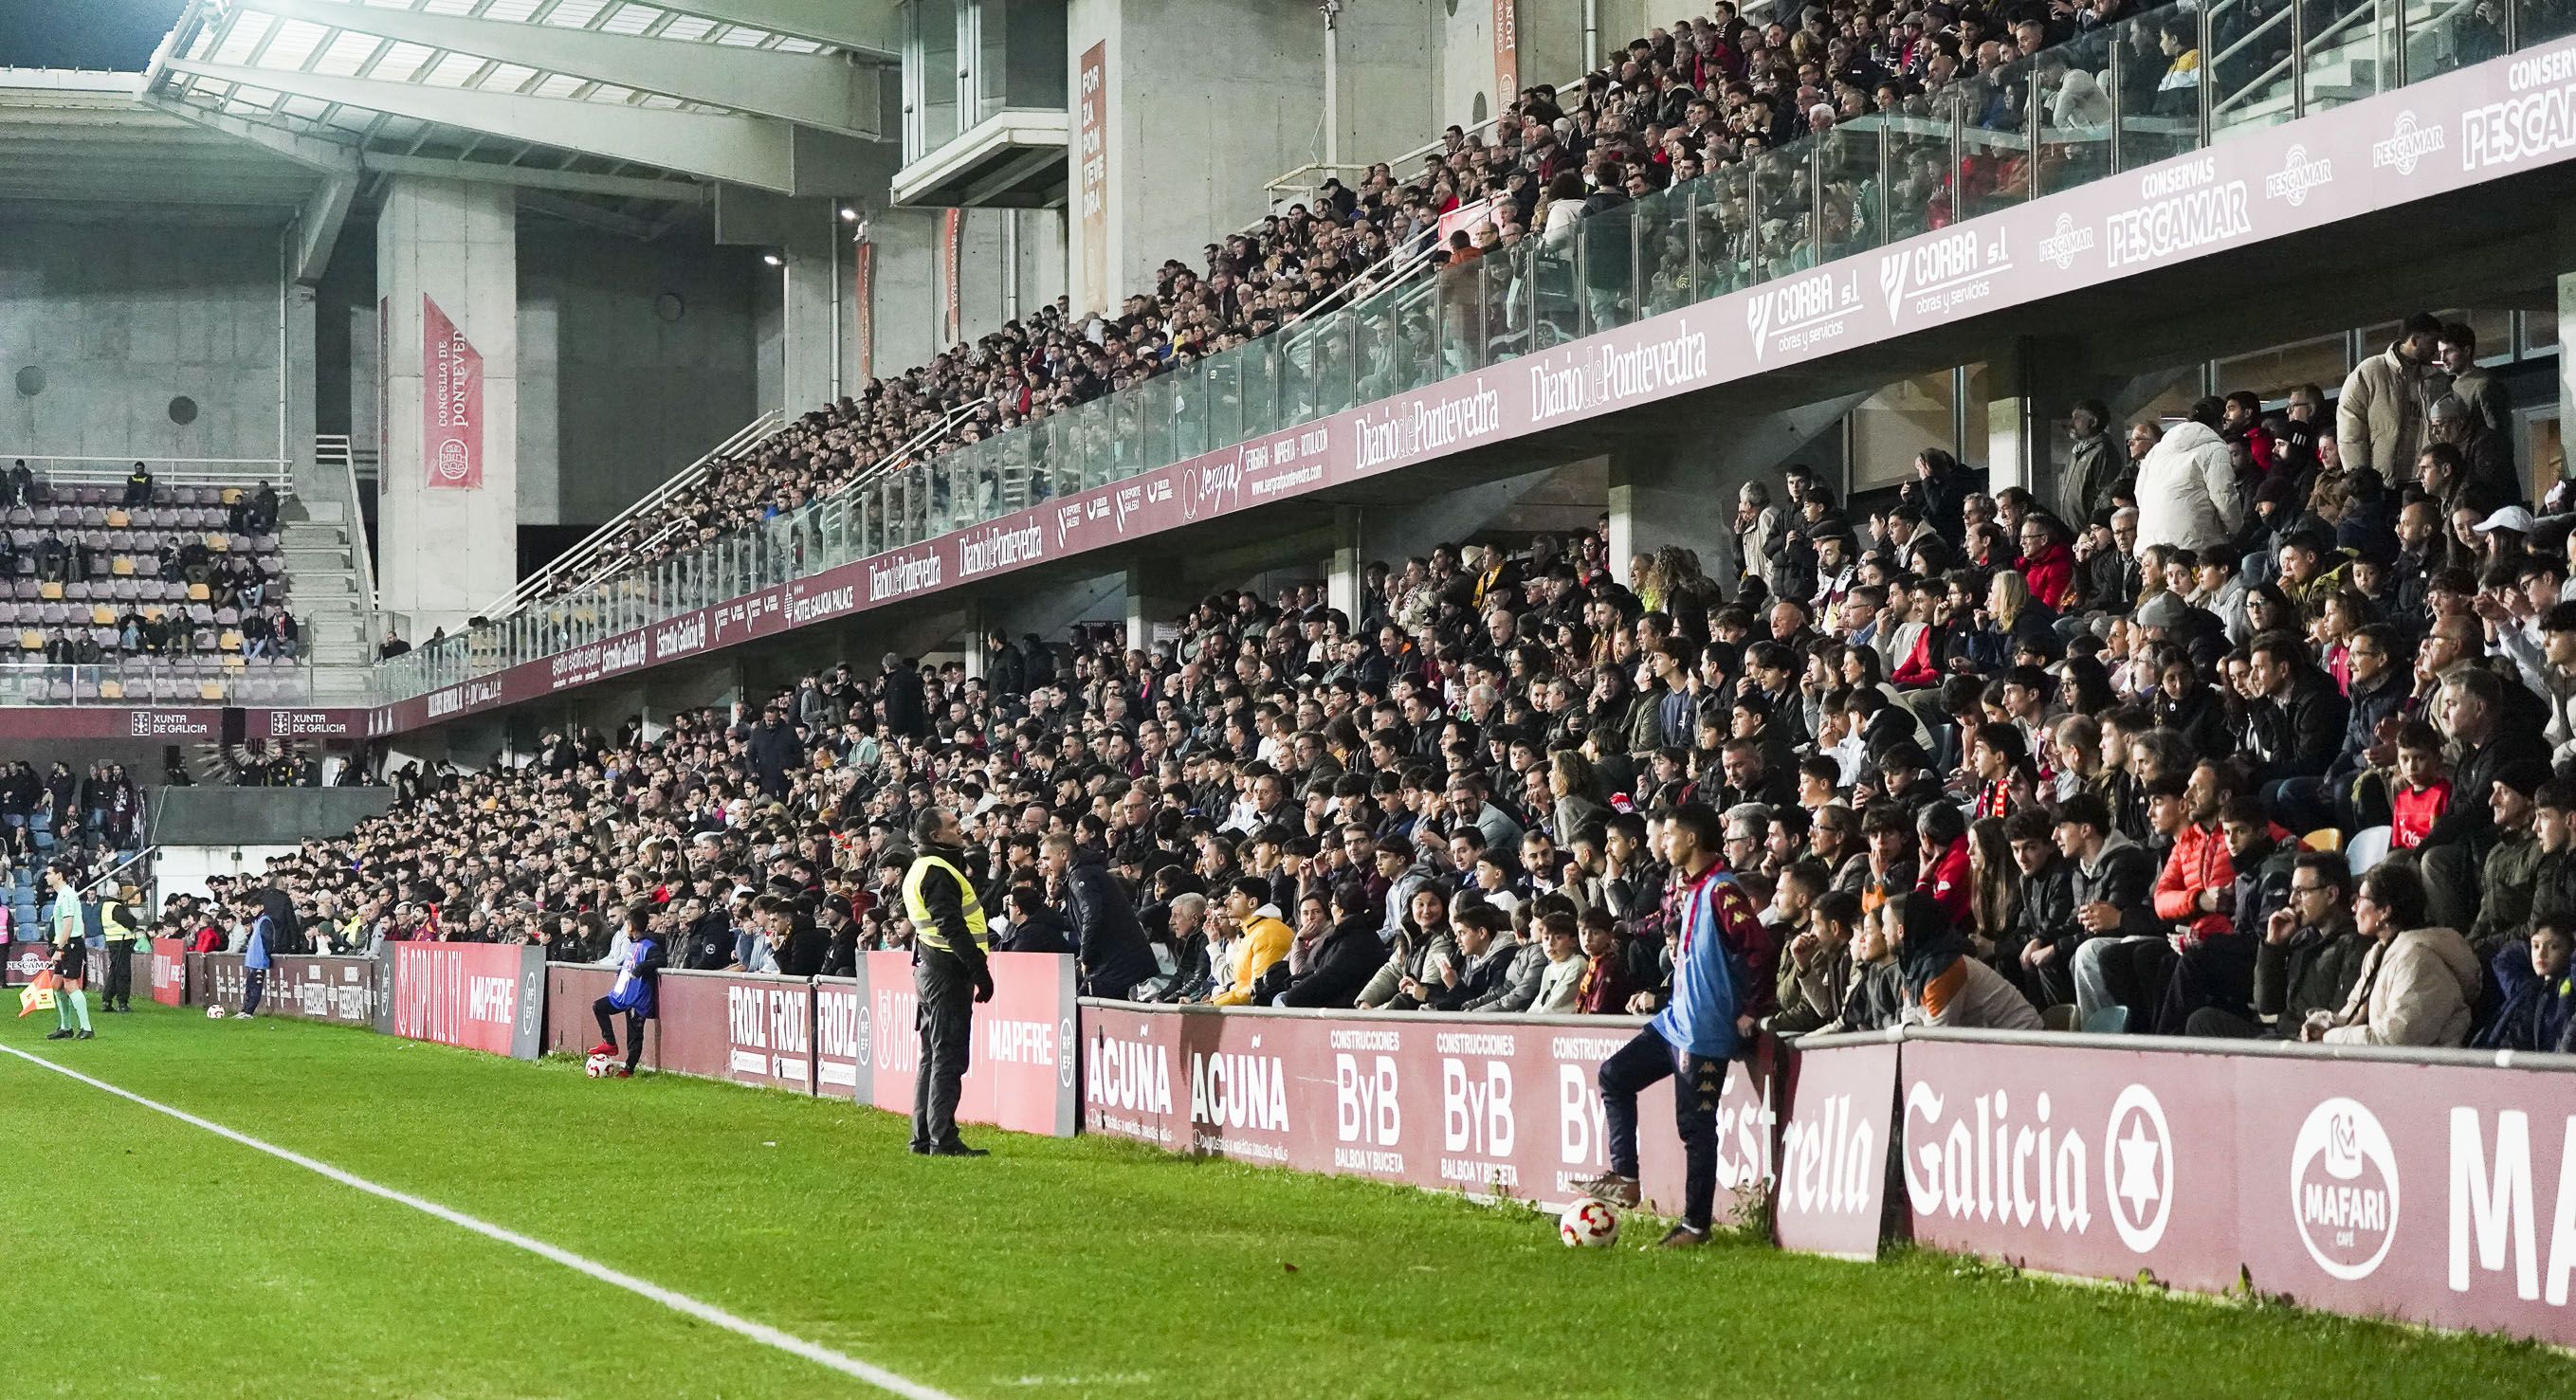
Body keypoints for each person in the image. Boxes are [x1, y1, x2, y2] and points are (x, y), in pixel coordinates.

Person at [1575, 803, 1774, 1248]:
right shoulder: (1692, 889)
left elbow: (1759, 948)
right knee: (1614, 1074)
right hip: (1675, 1021)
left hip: (1704, 1031)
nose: (1660, 842)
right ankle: (1626, 1175)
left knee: (1695, 1129)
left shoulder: (1723, 890)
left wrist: (1751, 1009)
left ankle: (1695, 1226)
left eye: (1667, 835)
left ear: (1691, 840)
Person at [2302, 863, 2480, 1046]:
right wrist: (2324, 1024)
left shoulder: (2420, 960)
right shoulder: (2377, 953)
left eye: (2361, 899)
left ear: (2385, 911)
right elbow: (2353, 1011)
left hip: (2427, 1071)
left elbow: (2392, 1041)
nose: (2354, 908)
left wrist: (2329, 1037)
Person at [904, 807, 995, 1157]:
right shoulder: (938, 871)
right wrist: (979, 972)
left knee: (931, 1056)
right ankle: (943, 1138)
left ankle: (923, 1137)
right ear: (936, 836)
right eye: (954, 825)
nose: (961, 829)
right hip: (946, 972)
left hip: (929, 967)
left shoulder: (919, 868)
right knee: (947, 1058)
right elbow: (952, 926)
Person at [587, 905, 663, 1077]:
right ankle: (610, 1043)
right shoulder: (633, 945)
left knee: (634, 1035)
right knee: (599, 1007)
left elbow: (661, 960)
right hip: (623, 995)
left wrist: (642, 967)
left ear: (630, 926)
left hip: (638, 998)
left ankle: (629, 1069)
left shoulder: (649, 945)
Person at [42, 872, 92, 1041]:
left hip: (71, 944)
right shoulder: (62, 894)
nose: (46, 877)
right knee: (57, 985)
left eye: (49, 873)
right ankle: (66, 1027)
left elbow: (69, 924)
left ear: (59, 875)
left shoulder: (67, 894)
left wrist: (59, 949)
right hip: (64, 944)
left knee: (70, 985)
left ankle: (87, 1028)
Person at [98, 884, 139, 1012]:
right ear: (118, 892)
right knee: (123, 973)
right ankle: (122, 1003)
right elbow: (130, 922)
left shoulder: (105, 906)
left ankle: (107, 1000)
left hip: (112, 941)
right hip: (121, 941)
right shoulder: (115, 907)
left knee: (114, 971)